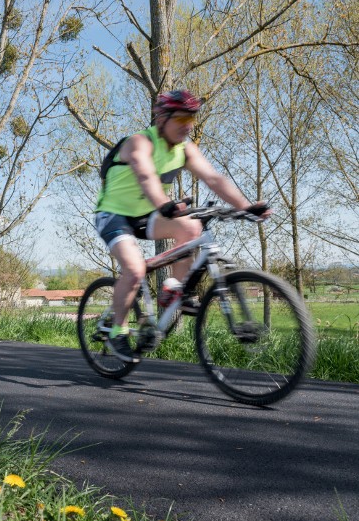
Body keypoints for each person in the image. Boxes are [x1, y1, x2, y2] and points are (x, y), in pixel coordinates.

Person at [93, 90, 271, 363]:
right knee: (135, 267)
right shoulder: (139, 142)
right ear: (161, 118)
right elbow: (145, 174)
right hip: (113, 215)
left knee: (191, 228)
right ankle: (117, 331)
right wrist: (164, 203)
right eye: (181, 118)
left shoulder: (185, 150)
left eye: (192, 118)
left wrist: (245, 207)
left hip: (146, 215)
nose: (188, 124)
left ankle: (173, 288)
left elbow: (213, 178)